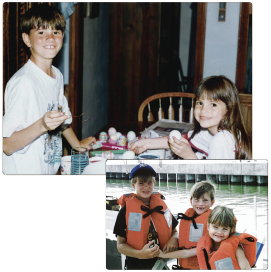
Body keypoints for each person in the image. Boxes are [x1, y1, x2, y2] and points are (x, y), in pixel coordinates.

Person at [3, 4, 95, 174]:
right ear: (27, 39)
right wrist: (42, 125)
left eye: (56, 32)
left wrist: (77, 145)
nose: (51, 38)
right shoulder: (23, 83)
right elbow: (7, 145)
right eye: (41, 32)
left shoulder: (57, 75)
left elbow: (61, 120)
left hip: (47, 171)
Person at [129, 75, 252, 159]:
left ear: (229, 109)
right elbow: (182, 140)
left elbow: (214, 185)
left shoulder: (222, 139)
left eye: (213, 104)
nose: (203, 110)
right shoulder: (209, 131)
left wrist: (189, 156)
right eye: (200, 103)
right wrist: (146, 143)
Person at [113, 163, 179, 270]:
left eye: (149, 183)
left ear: (154, 183)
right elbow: (120, 245)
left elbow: (175, 232)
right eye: (141, 183)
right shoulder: (125, 211)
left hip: (161, 263)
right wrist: (139, 254)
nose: (146, 187)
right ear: (133, 185)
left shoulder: (161, 206)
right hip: (136, 265)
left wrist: (174, 239)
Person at [158, 180, 215, 269]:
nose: (200, 204)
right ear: (190, 201)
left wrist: (164, 255)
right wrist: (175, 238)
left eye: (205, 200)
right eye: (196, 199)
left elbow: (187, 253)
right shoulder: (188, 217)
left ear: (212, 202)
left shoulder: (214, 222)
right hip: (184, 266)